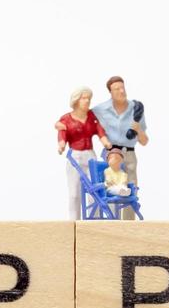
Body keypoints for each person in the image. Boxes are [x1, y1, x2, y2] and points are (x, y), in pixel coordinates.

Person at [92, 76, 148, 220]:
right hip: (111, 153)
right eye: (117, 89)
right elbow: (85, 119)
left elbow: (144, 141)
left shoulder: (136, 109)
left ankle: (128, 224)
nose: (121, 91)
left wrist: (138, 130)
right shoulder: (101, 109)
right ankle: (110, 221)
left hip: (129, 154)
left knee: (131, 188)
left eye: (123, 87)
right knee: (108, 186)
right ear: (110, 92)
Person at [55, 86, 112, 219]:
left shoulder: (92, 116)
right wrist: (61, 144)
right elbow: (62, 133)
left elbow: (99, 130)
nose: (87, 101)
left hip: (90, 155)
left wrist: (105, 141)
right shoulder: (66, 119)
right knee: (74, 193)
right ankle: (74, 221)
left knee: (95, 190)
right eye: (84, 98)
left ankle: (95, 221)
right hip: (75, 156)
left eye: (89, 98)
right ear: (76, 100)